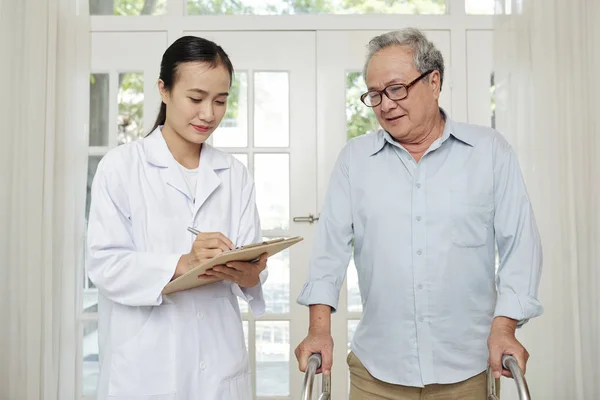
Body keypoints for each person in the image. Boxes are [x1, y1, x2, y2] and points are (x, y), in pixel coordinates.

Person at [294, 28, 543, 399]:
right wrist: (319, 329)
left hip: (468, 369)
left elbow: (520, 247)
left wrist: (505, 327)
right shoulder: (355, 160)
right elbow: (329, 251)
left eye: (396, 89)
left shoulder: (490, 152)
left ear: (434, 81)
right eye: (375, 95)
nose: (386, 104)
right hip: (377, 370)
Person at [87, 36, 267, 400]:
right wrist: (184, 263)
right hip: (146, 369)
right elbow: (105, 265)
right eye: (196, 99)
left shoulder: (233, 174)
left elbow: (251, 263)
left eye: (220, 101)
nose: (209, 114)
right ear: (164, 90)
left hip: (218, 364)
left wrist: (251, 272)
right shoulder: (121, 168)